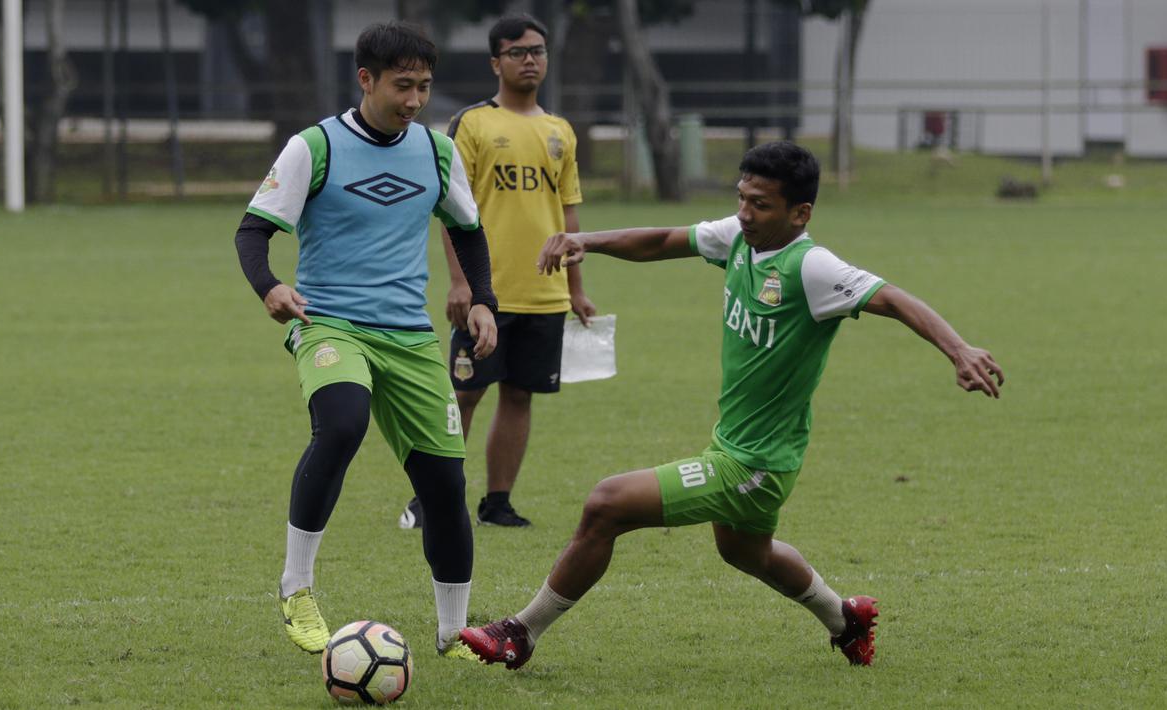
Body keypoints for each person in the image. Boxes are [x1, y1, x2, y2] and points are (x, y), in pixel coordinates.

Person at [459, 142, 1004, 669]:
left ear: (800, 212)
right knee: (746, 551)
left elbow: (892, 297)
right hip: (736, 444)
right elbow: (664, 239)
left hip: (756, 464)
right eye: (742, 197)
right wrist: (588, 241)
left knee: (607, 503)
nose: (743, 213)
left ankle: (521, 632)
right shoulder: (740, 239)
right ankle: (845, 618)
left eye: (759, 204)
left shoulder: (812, 268)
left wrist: (958, 349)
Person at [233, 21, 498, 659]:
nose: (414, 100)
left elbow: (467, 229)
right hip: (329, 324)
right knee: (343, 423)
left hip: (408, 337)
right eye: (402, 86)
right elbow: (252, 231)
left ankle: (453, 632)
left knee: (444, 486)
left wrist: (483, 300)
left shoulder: (437, 151)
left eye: (424, 87)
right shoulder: (314, 147)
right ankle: (297, 589)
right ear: (366, 79)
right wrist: (270, 287)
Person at [399, 14, 594, 530]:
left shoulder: (560, 131)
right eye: (517, 52)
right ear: (495, 62)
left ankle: (498, 501)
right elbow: (451, 207)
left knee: (520, 394)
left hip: (544, 293)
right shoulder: (474, 124)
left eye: (537, 50)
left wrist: (576, 289)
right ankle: (430, 498)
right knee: (462, 394)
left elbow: (568, 211)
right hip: (489, 291)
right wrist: (462, 282)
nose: (530, 59)